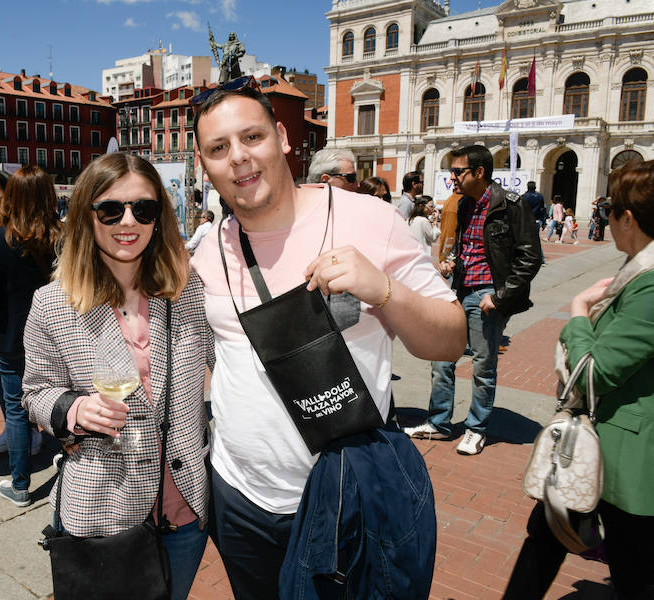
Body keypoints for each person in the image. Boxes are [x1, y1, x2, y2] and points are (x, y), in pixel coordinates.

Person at [189, 81, 465, 598]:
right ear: (205, 165)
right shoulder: (208, 249)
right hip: (239, 500)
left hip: (346, 498)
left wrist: (385, 291)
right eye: (219, 148)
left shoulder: (370, 218)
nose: (240, 158)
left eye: (252, 136)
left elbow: (450, 340)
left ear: (283, 137)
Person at [22, 153, 214, 600]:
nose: (128, 221)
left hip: (183, 508)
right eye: (111, 209)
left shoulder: (188, 289)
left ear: (158, 218)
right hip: (103, 510)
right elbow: (33, 392)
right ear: (86, 214)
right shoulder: (53, 303)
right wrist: (73, 407)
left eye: (143, 209)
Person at [503, 159, 654, 600]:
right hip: (603, 443)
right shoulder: (637, 272)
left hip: (624, 453)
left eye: (610, 210)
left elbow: (595, 372)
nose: (606, 219)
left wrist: (577, 313)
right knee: (547, 537)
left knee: (632, 572)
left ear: (628, 218)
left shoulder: (647, 284)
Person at [404, 145, 542, 454]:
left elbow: (530, 258)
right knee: (441, 358)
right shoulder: (465, 205)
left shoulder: (511, 204)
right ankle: (439, 423)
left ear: (478, 172)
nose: (451, 177)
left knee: (483, 365)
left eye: (457, 171)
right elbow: (467, 245)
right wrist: (452, 260)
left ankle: (476, 428)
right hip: (459, 290)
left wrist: (500, 296)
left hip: (486, 295)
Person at [0, 166, 60, 507]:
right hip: (54, 335)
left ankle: (20, 484)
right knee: (59, 399)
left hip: (10, 334)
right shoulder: (62, 236)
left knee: (16, 409)